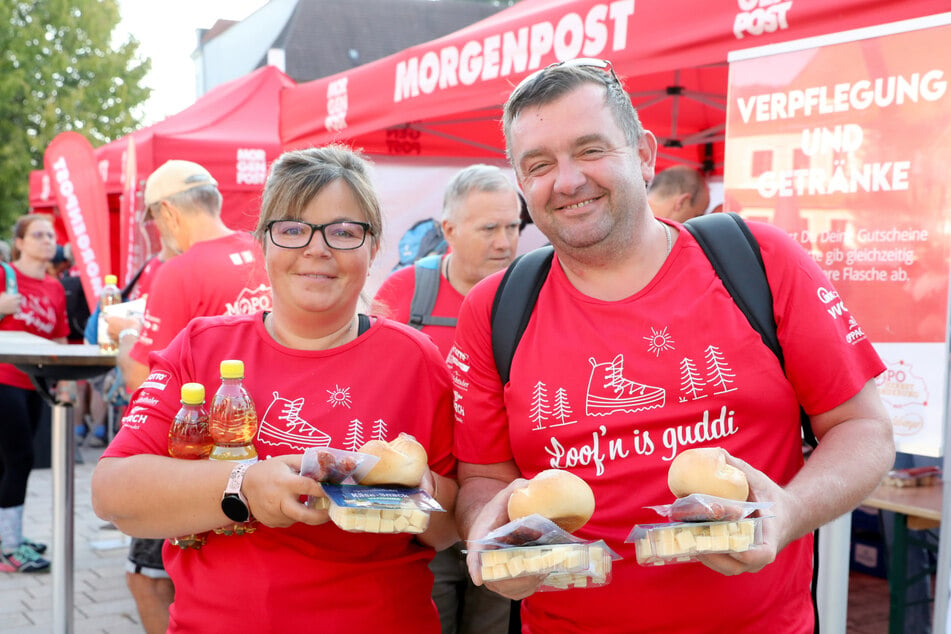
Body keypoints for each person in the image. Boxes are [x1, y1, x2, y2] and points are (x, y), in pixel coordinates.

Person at [449, 59, 895, 632]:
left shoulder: (759, 261)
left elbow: (864, 429)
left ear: (643, 154)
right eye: (539, 165)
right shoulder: (494, 308)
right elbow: (483, 477)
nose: (566, 180)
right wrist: (486, 533)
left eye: (589, 150)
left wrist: (788, 512)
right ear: (521, 185)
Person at [91, 145, 458, 632]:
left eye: (344, 232)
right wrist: (243, 485)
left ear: (373, 249)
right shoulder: (202, 347)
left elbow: (449, 525)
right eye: (292, 229)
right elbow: (113, 492)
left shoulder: (416, 359)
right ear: (263, 244)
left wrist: (414, 497)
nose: (317, 248)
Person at [109, 160, 272, 634]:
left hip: (191, 457)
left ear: (168, 214)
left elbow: (143, 380)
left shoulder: (180, 271)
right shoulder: (265, 252)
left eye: (155, 221)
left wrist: (125, 342)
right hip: (263, 447)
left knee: (148, 579)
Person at [373, 164, 521, 634]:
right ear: (449, 230)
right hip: (427, 505)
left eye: (514, 226)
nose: (505, 241)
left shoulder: (524, 294)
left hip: (500, 500)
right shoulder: (405, 292)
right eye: (490, 228)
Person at [0, 214, 69, 573]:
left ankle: (8, 537)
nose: (47, 240)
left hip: (36, 384)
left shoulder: (55, 287)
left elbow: (59, 336)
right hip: (3, 378)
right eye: (37, 235)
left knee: (9, 463)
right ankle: (10, 547)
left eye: (50, 235)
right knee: (20, 459)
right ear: (21, 242)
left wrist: (68, 379)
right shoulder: (4, 275)